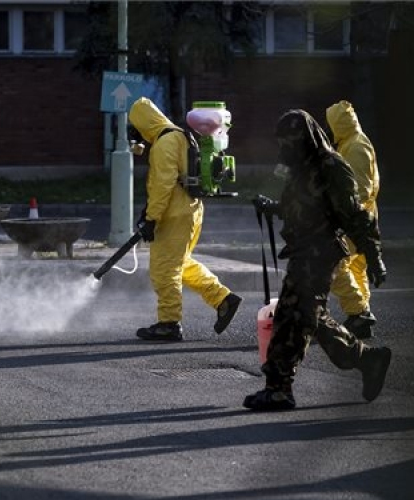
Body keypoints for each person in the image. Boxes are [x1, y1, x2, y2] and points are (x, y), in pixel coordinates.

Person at [244, 109, 391, 411]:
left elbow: (355, 217)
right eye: (282, 142)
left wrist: (374, 257)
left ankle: (279, 388)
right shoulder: (301, 167)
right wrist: (271, 208)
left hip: (321, 253)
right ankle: (367, 359)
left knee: (290, 317)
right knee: (313, 319)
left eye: (290, 142)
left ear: (307, 138)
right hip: (303, 251)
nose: (285, 149)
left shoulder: (331, 167)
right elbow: (299, 208)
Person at [128, 97, 242, 342]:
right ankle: (223, 299)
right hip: (189, 210)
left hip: (174, 214)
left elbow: (163, 184)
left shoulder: (164, 142)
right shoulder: (178, 134)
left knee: (164, 269)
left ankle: (169, 323)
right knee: (181, 263)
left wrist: (151, 218)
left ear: (144, 124)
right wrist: (148, 213)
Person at [326, 100, 380, 339]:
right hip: (360, 217)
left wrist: (338, 209)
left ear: (339, 124)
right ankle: (361, 313)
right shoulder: (351, 143)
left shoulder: (356, 147)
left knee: (335, 263)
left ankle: (358, 312)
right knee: (355, 266)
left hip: (352, 218)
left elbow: (358, 189)